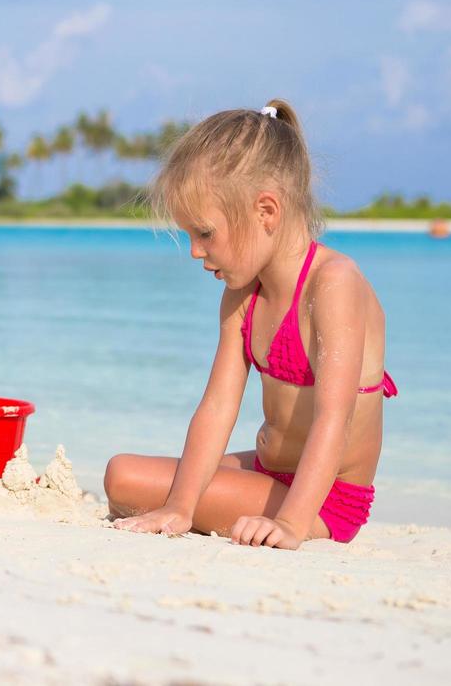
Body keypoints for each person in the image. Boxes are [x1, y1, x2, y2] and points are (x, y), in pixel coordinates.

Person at [104, 100, 396, 549]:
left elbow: (333, 420)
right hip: (267, 471)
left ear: (266, 212)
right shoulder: (244, 295)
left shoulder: (334, 285)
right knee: (122, 473)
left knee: (133, 486)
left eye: (204, 233)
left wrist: (291, 524)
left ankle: (288, 514)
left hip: (324, 497)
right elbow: (218, 408)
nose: (196, 252)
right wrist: (181, 505)